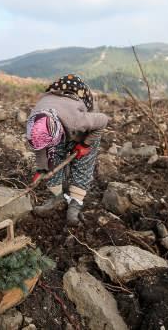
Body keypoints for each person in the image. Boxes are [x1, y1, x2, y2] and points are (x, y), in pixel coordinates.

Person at [26, 74, 109, 226]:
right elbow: (41, 148)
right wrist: (42, 168)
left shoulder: (78, 121)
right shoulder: (34, 123)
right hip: (55, 117)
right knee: (53, 159)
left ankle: (75, 204)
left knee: (82, 164)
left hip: (86, 126)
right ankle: (57, 197)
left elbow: (103, 120)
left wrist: (85, 145)